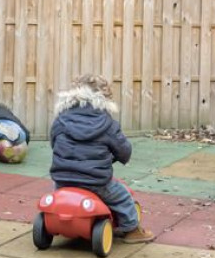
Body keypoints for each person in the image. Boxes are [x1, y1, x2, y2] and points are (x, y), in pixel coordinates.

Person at [48, 74, 155, 243]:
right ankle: (131, 229)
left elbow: (54, 142)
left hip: (63, 180)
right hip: (96, 182)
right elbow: (124, 150)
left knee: (55, 195)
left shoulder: (61, 120)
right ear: (104, 98)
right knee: (122, 197)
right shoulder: (108, 124)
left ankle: (51, 219)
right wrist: (120, 157)